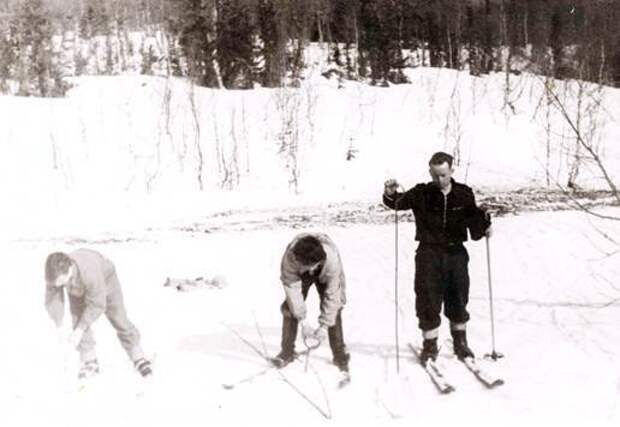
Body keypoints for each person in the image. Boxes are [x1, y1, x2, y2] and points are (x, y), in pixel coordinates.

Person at [383, 152, 491, 365]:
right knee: (428, 298)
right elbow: (397, 203)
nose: (439, 180)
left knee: (458, 296)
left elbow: (474, 227)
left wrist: (484, 224)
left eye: (443, 175)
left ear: (451, 170)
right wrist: (389, 193)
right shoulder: (421, 193)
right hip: (428, 253)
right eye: (435, 175)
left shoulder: (464, 194)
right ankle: (430, 345)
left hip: (456, 253)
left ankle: (460, 342)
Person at [44, 248, 152, 379]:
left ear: (69, 270)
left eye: (62, 282)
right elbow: (53, 300)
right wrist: (58, 325)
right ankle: (90, 362)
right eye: (57, 284)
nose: (59, 286)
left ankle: (138, 356)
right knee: (78, 318)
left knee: (118, 317)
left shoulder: (90, 271)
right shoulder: (55, 273)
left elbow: (98, 305)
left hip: (106, 280)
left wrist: (79, 330)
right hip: (77, 285)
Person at [271, 233, 350, 373]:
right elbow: (293, 292)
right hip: (297, 273)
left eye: (310, 267)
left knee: (335, 307)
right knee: (289, 308)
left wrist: (324, 326)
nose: (308, 271)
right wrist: (303, 321)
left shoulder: (332, 260)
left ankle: (339, 354)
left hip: (327, 271)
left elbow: (332, 296)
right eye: (305, 267)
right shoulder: (290, 260)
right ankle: (287, 352)